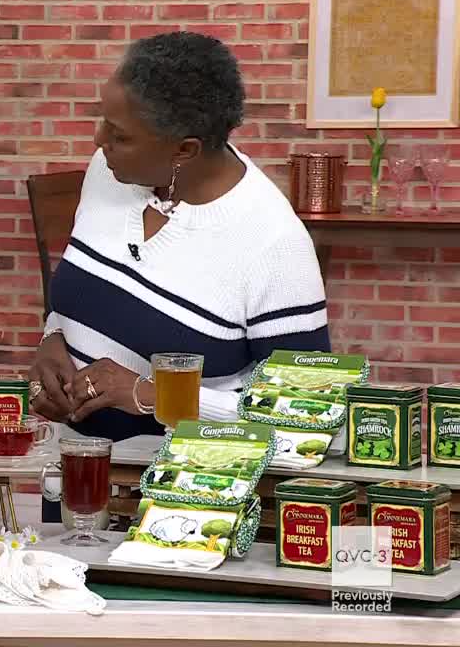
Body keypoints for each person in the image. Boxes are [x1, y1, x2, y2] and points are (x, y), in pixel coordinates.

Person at [29, 31, 330, 443]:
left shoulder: (272, 243)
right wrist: (53, 340)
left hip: (186, 492)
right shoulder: (107, 173)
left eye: (120, 136)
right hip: (77, 473)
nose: (100, 141)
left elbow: (308, 419)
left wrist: (148, 394)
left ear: (184, 151)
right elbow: (87, 297)